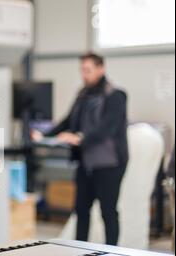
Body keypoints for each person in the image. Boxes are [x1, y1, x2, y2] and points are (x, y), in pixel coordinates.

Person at [33, 53, 128, 246]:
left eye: (88, 70)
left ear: (101, 69)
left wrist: (80, 137)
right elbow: (68, 121)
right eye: (82, 70)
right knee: (81, 210)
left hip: (108, 164)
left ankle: (113, 252)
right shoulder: (83, 95)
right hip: (85, 163)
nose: (84, 74)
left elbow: (108, 126)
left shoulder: (115, 95)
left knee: (108, 211)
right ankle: (79, 251)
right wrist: (46, 135)